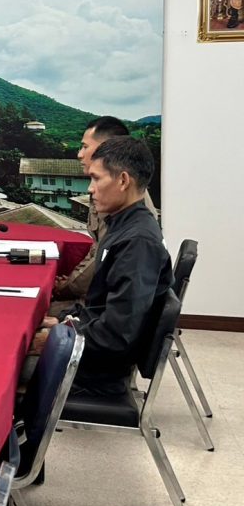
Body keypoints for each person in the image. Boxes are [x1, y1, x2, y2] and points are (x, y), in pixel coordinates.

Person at [44, 136, 172, 397]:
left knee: (4, 363)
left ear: (123, 181)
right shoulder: (123, 226)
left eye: (96, 179)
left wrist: (56, 338)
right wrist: (61, 320)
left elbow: (116, 335)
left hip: (95, 373)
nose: (90, 189)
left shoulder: (137, 242)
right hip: (92, 355)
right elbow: (100, 306)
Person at [52, 116, 157, 310]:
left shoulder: (130, 220)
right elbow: (98, 250)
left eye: (85, 147)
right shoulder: (122, 201)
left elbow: (121, 315)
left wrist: (66, 289)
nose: (79, 154)